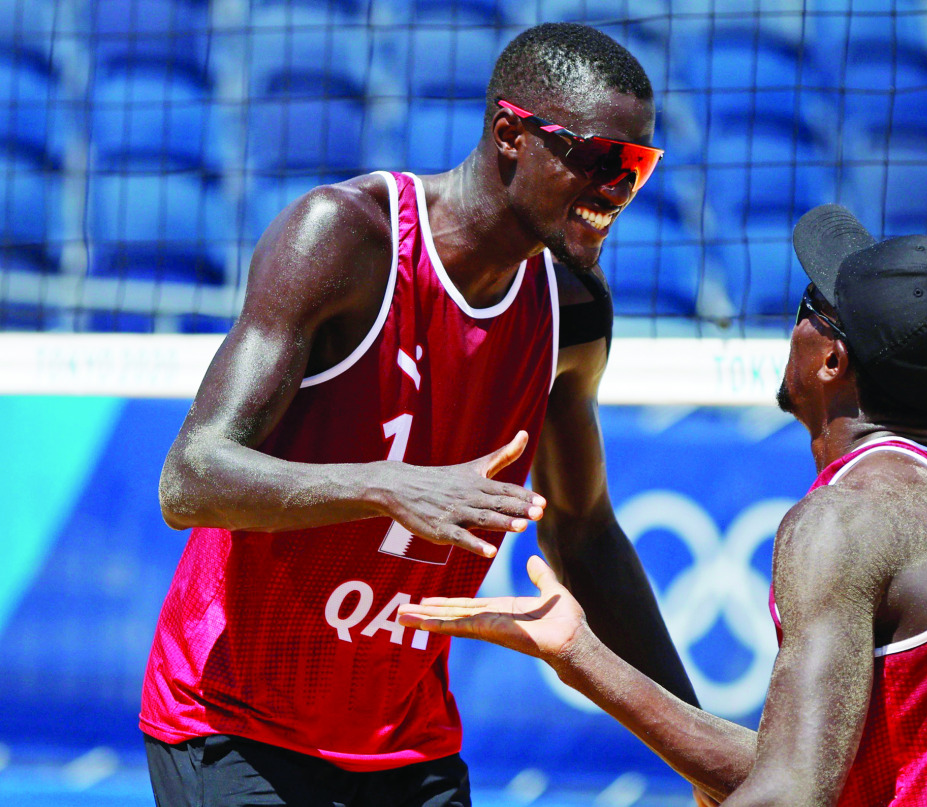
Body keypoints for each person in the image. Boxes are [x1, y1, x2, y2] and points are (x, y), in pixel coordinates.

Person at [140, 22, 698, 807]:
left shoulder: (572, 310)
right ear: (511, 135)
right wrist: (389, 485)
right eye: (602, 158)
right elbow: (190, 477)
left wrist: (699, 742)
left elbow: (584, 531)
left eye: (637, 166)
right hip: (235, 720)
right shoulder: (343, 238)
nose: (618, 189)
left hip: (405, 739)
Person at [396, 205, 927, 806]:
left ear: (831, 360)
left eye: (810, 304)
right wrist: (580, 652)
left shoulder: (845, 518)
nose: (793, 321)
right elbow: (804, 765)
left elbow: (787, 795)